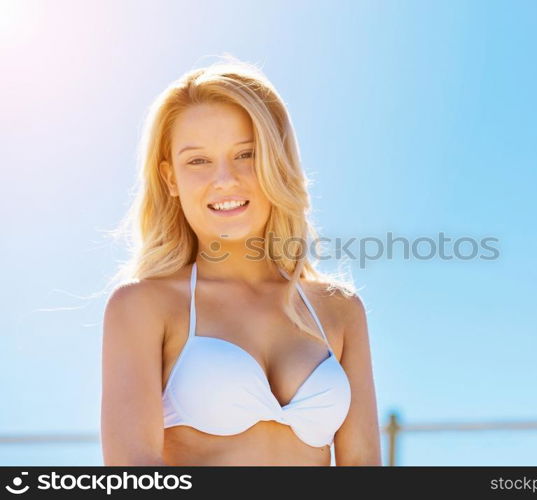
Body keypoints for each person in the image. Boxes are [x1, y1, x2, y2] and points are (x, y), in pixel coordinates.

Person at [100, 56, 381, 466]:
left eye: (246, 155)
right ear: (170, 179)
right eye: (198, 160)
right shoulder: (144, 307)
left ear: (276, 162)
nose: (225, 179)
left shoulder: (340, 309)